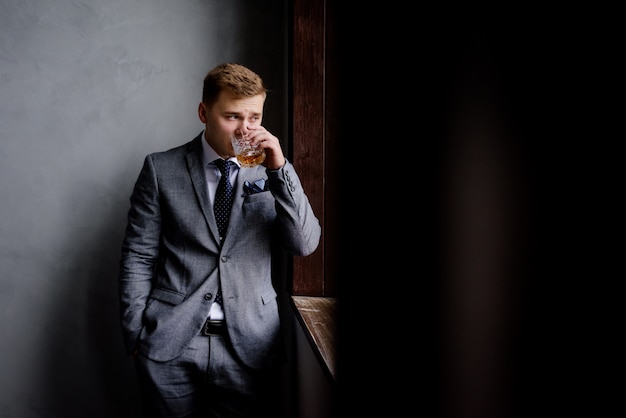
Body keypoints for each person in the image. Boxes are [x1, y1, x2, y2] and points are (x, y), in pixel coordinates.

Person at [117, 62, 321, 417]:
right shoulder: (160, 169)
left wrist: (279, 169)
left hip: (250, 346)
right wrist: (136, 332)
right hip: (169, 344)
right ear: (203, 112)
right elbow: (138, 255)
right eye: (232, 117)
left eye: (254, 117)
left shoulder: (272, 170)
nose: (246, 129)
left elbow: (304, 244)